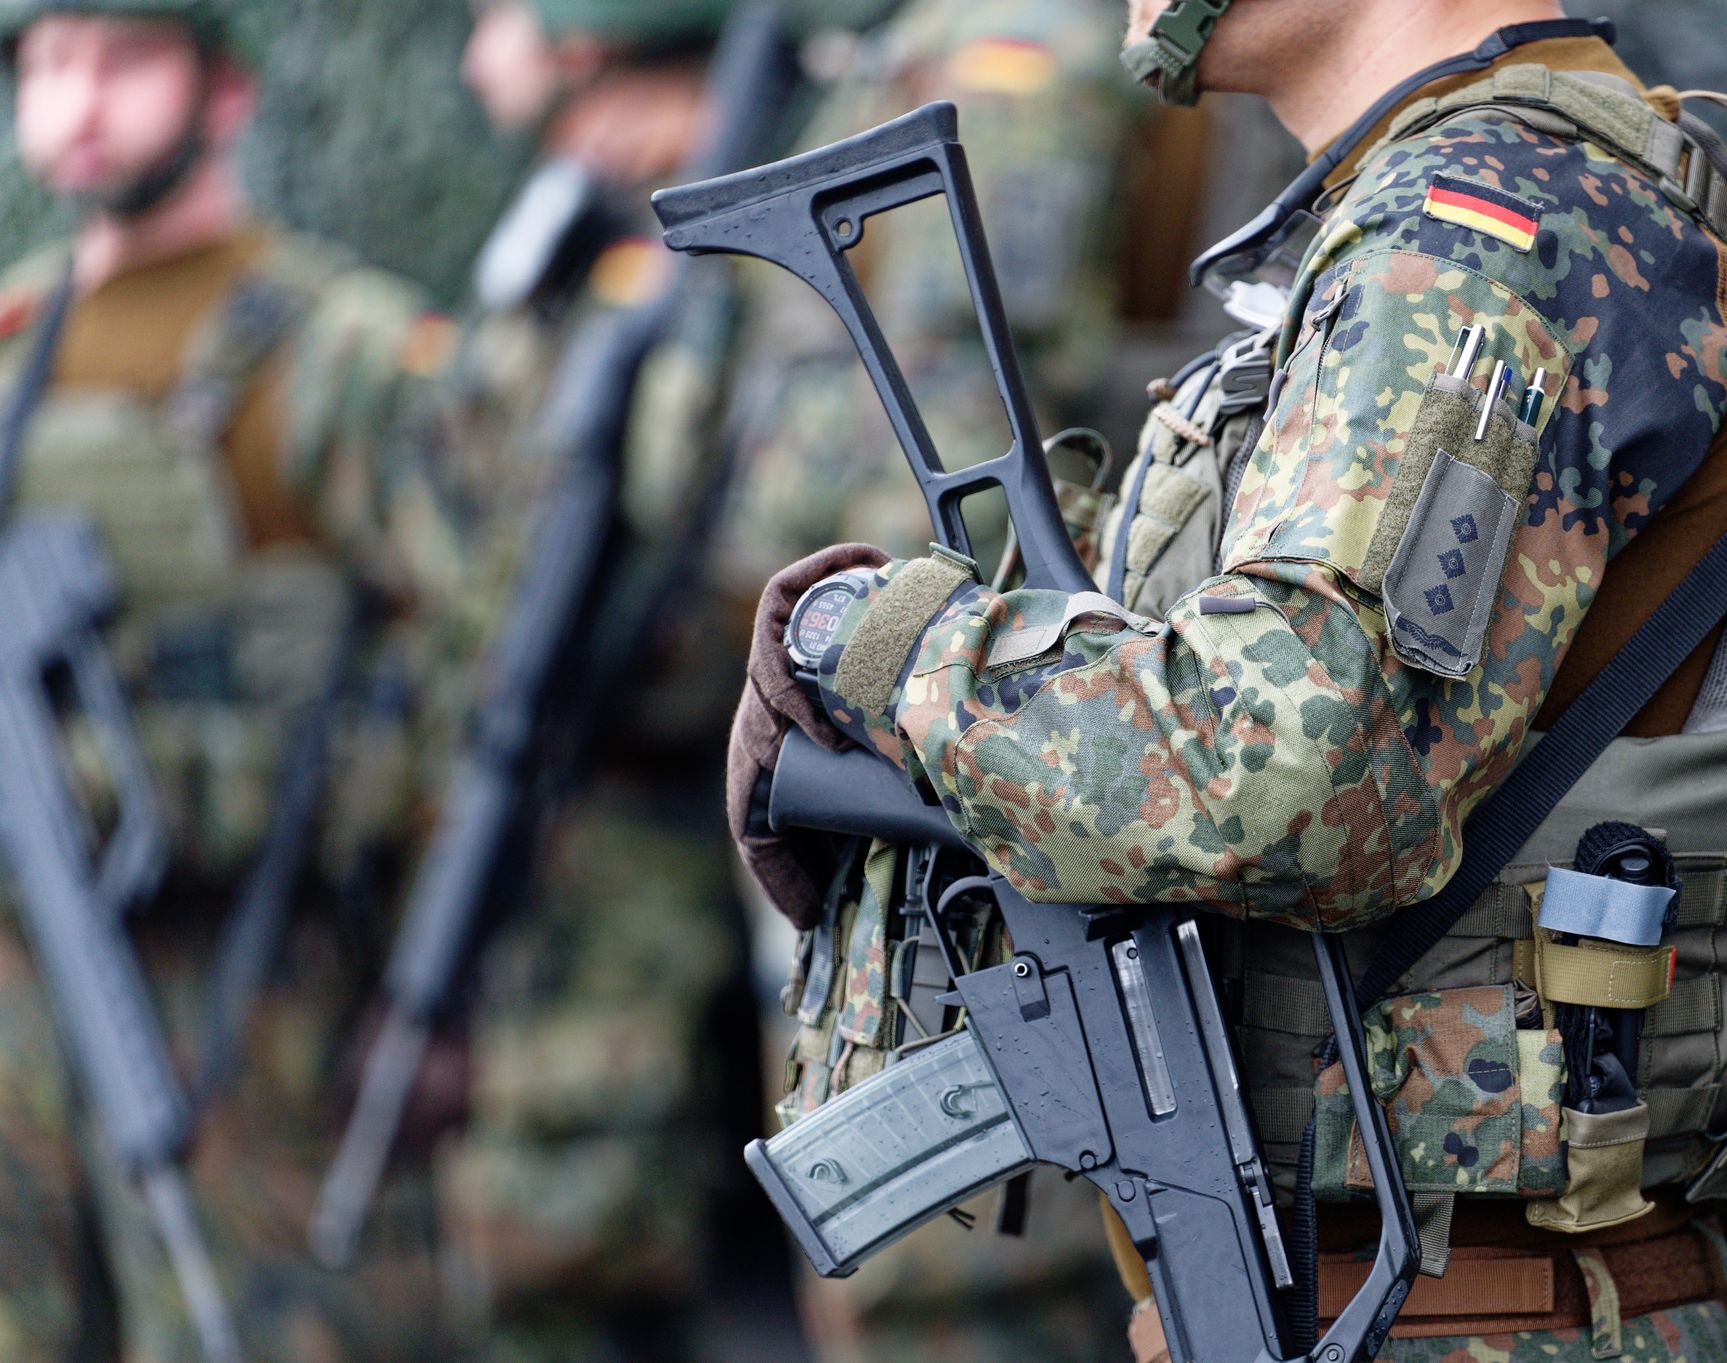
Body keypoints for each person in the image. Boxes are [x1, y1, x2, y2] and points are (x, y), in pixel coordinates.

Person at [732, 2, 1727, 1362]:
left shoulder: (1483, 230)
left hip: (1461, 1312)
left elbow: (1293, 766)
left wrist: (874, 651)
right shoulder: (1533, 192)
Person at [0, 0, 464, 1359]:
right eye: (48, 62)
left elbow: (476, 661)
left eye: (125, 58)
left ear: (227, 92)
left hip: (260, 980)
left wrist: (439, 990)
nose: (78, 99)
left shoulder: (344, 345)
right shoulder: (13, 338)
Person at [713, 2, 1170, 1361]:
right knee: (870, 1189)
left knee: (965, 1258)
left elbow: (1034, 363)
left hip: (970, 699)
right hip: (848, 699)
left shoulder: (1036, 63)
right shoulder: (857, 64)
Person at [413, 3, 766, 1359]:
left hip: (660, 806)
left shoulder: (706, 234)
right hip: (552, 787)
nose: (474, 54)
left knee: (591, 1223)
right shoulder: (583, 235)